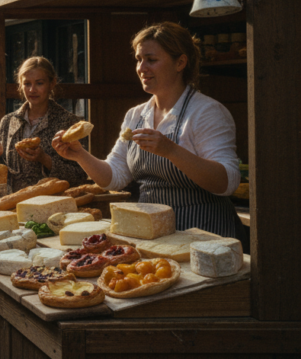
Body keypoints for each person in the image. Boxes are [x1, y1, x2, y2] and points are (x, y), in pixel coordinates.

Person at [53, 22, 243, 238]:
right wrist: (79, 155)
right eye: (139, 59)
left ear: (180, 62)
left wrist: (171, 150)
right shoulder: (136, 115)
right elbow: (114, 177)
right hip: (153, 235)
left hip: (204, 235)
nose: (141, 68)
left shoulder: (206, 112)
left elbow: (227, 182)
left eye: (151, 60)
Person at [0, 57, 89, 190]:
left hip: (52, 204)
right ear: (20, 85)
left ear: (52, 83)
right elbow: (3, 175)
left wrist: (45, 159)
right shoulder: (8, 121)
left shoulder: (69, 122)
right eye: (27, 84)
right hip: (14, 204)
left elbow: (81, 175)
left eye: (39, 83)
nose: (32, 90)